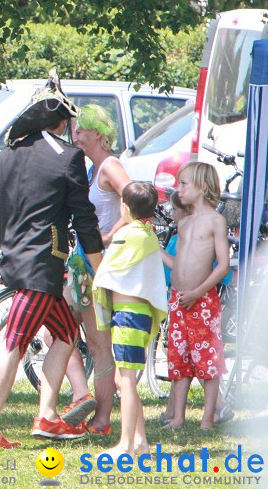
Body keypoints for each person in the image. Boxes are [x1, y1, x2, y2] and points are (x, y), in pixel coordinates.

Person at [0, 72, 104, 450]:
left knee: (65, 335)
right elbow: (84, 218)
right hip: (41, 267)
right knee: (13, 343)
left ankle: (47, 416)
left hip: (16, 260)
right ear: (60, 121)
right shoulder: (69, 157)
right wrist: (99, 264)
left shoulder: (6, 154)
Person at [59, 105, 131, 433]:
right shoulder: (91, 169)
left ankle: (101, 420)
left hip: (97, 265)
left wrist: (108, 235)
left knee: (100, 345)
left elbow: (137, 203)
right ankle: (81, 393)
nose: (75, 136)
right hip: (81, 264)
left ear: (98, 135)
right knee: (56, 330)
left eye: (80, 130)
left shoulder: (109, 167)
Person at [90, 181, 168, 459]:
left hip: (129, 317)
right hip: (137, 317)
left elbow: (106, 270)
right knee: (124, 380)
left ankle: (125, 445)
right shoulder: (146, 234)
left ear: (125, 207)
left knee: (127, 381)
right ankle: (140, 443)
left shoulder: (130, 235)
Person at [159, 161, 230, 429]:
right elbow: (179, 264)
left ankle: (207, 418)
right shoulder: (185, 223)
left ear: (201, 187)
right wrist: (156, 250)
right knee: (180, 358)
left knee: (208, 359)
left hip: (202, 300)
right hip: (179, 299)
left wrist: (198, 292)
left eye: (184, 184)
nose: (179, 189)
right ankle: (178, 417)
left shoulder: (216, 221)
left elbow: (222, 265)